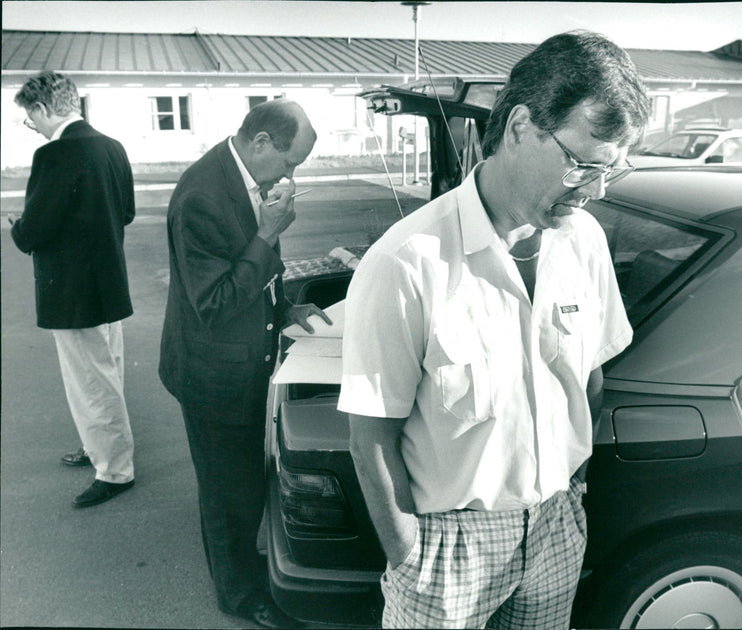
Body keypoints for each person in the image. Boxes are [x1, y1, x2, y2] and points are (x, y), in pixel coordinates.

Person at [338, 31, 649, 629]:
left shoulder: (585, 242)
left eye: (613, 170)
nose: (595, 192)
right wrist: (409, 558)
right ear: (519, 128)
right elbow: (370, 435)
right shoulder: (407, 262)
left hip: (557, 525)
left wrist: (572, 492)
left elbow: (589, 377)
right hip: (446, 549)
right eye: (583, 165)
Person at [158, 100, 328, 629]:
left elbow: (247, 272)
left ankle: (242, 568)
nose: (291, 175)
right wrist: (268, 233)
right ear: (260, 144)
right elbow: (214, 301)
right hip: (212, 372)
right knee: (226, 490)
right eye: (290, 162)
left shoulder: (239, 177)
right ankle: (237, 596)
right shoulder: (201, 196)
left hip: (241, 359)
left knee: (243, 481)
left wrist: (285, 308)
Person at [10, 71, 137, 509]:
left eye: (31, 119)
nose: (34, 127)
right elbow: (127, 212)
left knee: (90, 383)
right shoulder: (113, 147)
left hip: (72, 291)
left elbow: (34, 231)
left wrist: (18, 229)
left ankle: (115, 470)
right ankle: (98, 446)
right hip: (108, 284)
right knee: (107, 375)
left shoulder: (55, 155)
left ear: (44, 109)